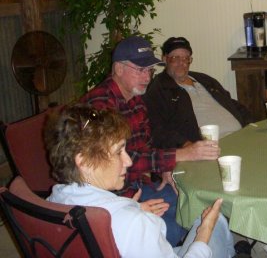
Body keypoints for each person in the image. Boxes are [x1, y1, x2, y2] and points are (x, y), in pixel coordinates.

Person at [45, 104, 235, 258]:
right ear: (84, 162)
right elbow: (127, 225)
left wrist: (130, 206)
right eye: (119, 152)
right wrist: (204, 232)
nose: (128, 161)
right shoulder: (133, 223)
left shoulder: (53, 201)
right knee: (215, 219)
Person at [80, 36, 205, 246]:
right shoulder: (99, 105)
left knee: (195, 207)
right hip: (113, 196)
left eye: (150, 70)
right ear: (118, 69)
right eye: (140, 69)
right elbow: (121, 160)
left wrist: (165, 170)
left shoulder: (137, 99)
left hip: (141, 183)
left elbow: (147, 144)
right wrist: (183, 154)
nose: (147, 77)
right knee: (174, 228)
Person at [144, 36, 252, 150]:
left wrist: (251, 124)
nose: (181, 63)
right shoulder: (158, 90)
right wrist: (185, 145)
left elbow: (230, 103)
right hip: (212, 148)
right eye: (175, 58)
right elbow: (158, 129)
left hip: (242, 137)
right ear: (165, 59)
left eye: (186, 58)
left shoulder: (204, 79)